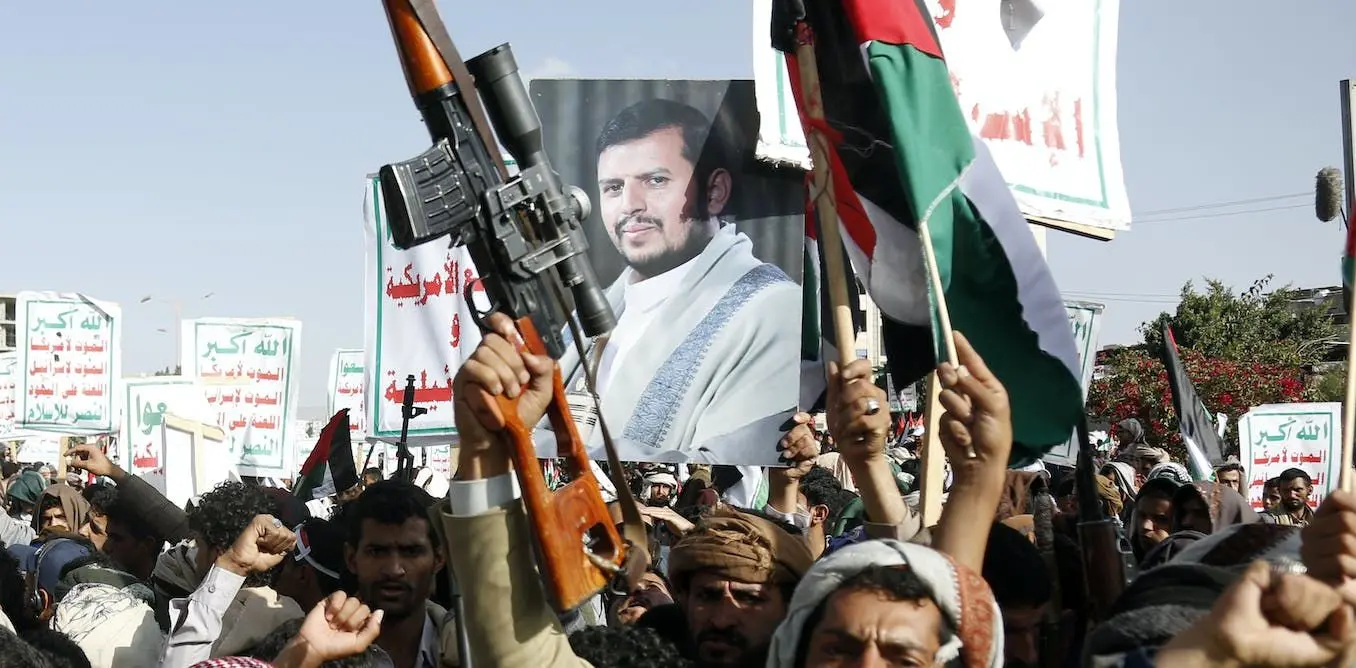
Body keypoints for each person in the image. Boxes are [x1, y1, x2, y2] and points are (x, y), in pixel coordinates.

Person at [549, 97, 802, 463]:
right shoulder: (591, 314)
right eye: (614, 187)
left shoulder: (770, 308)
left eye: (655, 181)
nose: (629, 205)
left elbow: (720, 462)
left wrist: (535, 443)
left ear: (714, 192)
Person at [342, 480, 459, 668]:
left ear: (438, 559)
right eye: (377, 551)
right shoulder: (318, 653)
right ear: (351, 559)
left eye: (411, 552)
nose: (394, 570)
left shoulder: (471, 653)